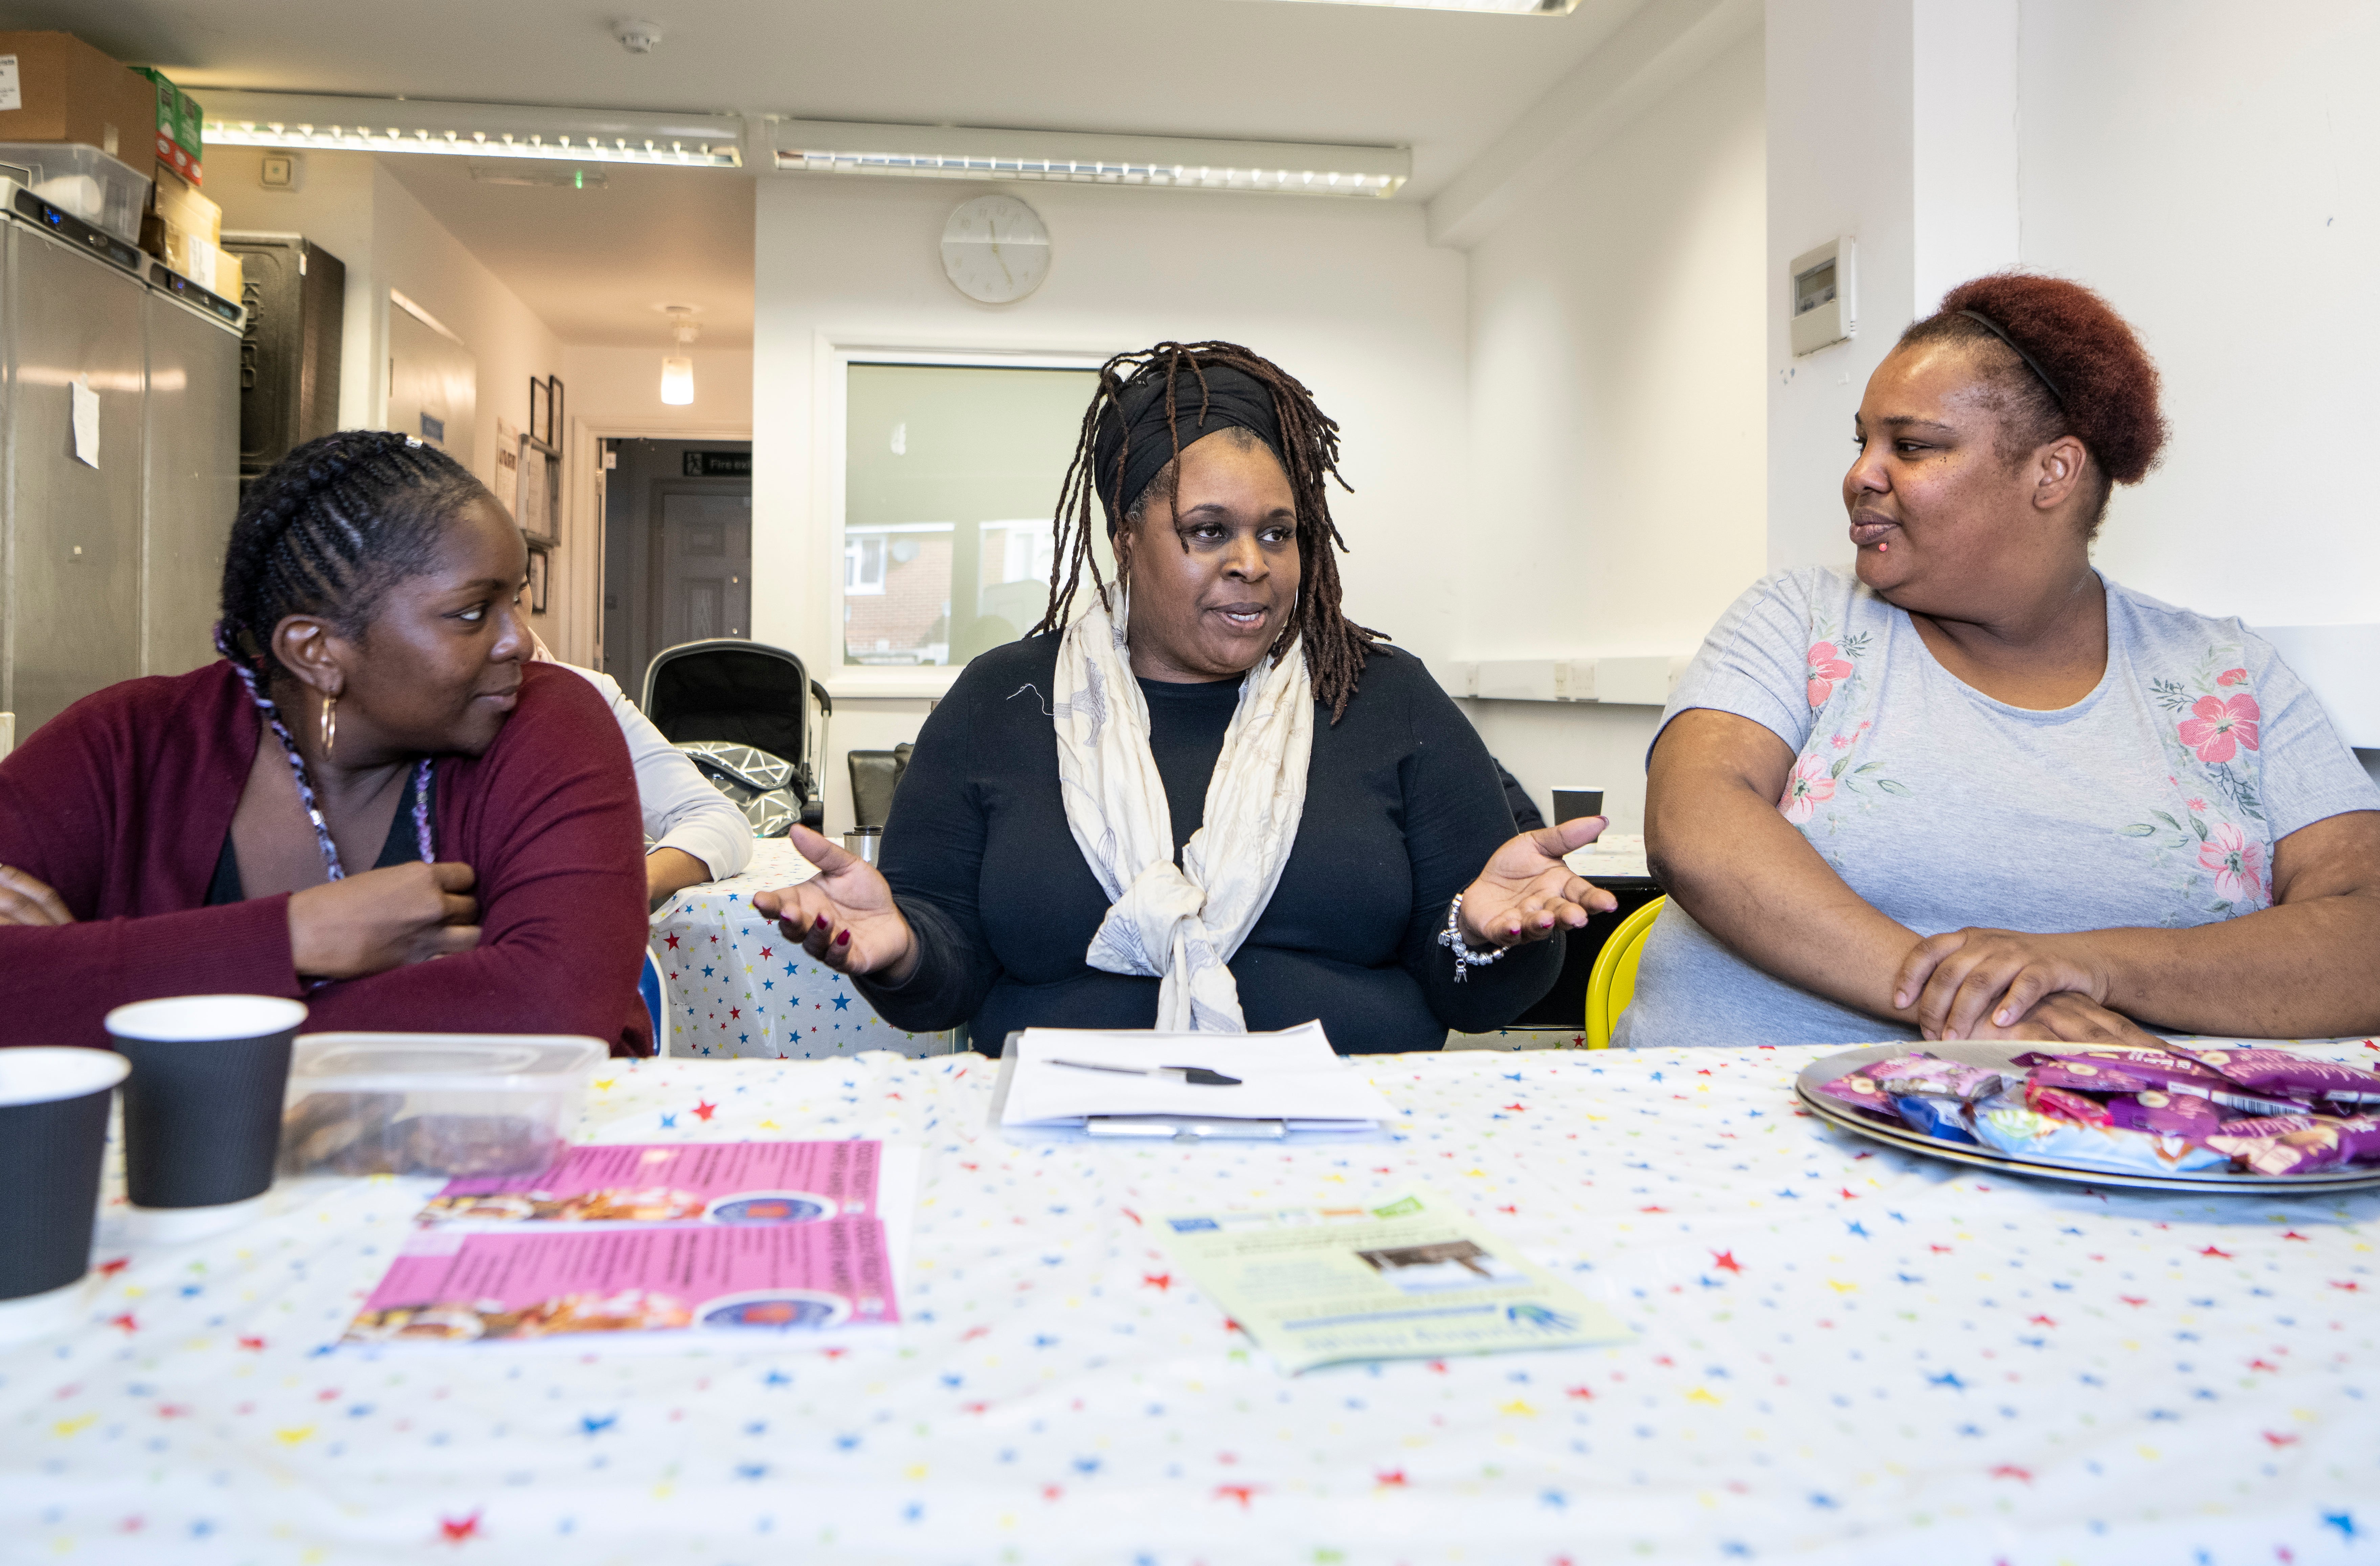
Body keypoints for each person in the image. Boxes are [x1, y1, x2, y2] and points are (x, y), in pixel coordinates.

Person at [753, 342, 1615, 1056]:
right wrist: (903, 947)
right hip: (1065, 1138)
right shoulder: (1002, 701)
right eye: (1209, 531)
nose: (1252, 560)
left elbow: (1467, 990)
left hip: (1348, 1137)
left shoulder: (1384, 701)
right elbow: (948, 969)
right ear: (1126, 536)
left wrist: (1482, 934)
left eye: (1277, 531)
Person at [1635, 275, 2380, 1049]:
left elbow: (2364, 933)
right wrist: (1984, 1003)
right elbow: (1696, 825)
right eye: (1862, 442)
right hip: (1754, 1132)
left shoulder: (2228, 680)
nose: (1861, 473)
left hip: (2120, 1151)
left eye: (1912, 445)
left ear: (2051, 472)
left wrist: (2078, 966)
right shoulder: (1796, 618)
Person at [0, 432, 652, 1052]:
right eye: (472, 613)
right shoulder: (126, 744)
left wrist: (98, 987)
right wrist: (293, 937)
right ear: (315, 651)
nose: (519, 641)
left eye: (518, 601)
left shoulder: (548, 721)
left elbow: (548, 1010)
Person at [525, 632, 755, 908]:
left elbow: (722, 822)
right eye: (474, 612)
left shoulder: (589, 698)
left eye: (517, 595)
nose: (515, 636)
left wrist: (625, 886)